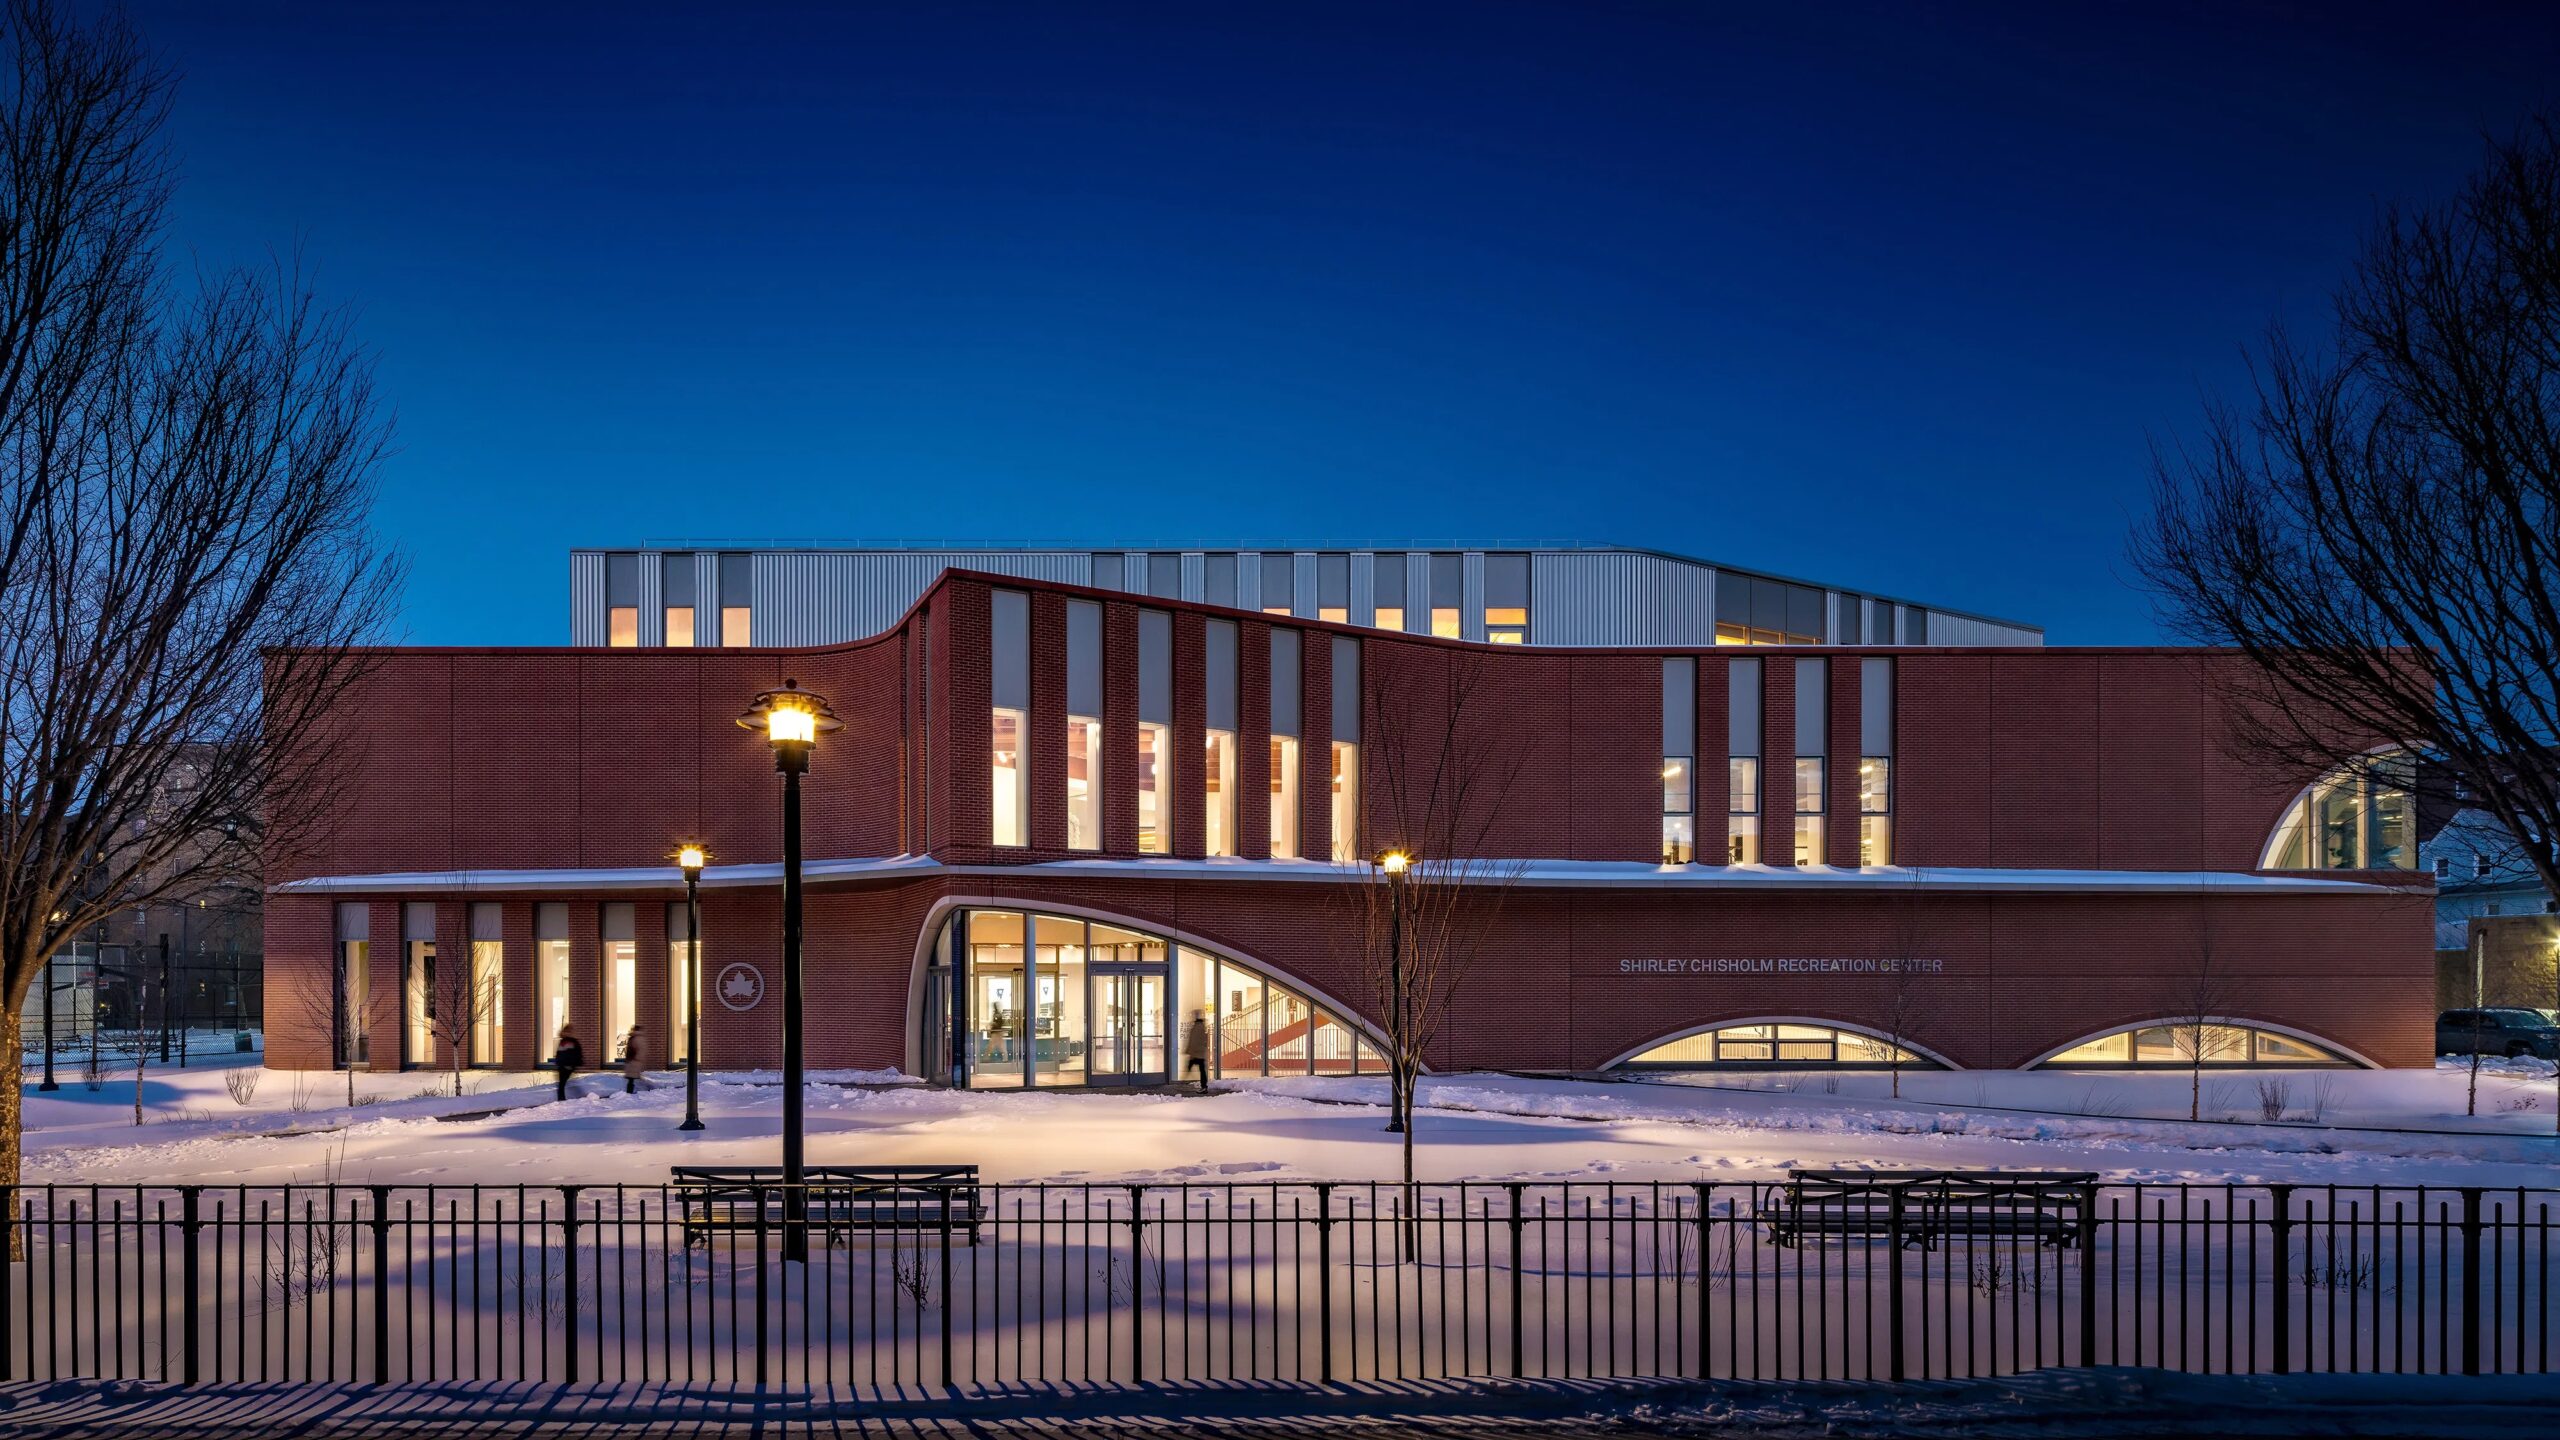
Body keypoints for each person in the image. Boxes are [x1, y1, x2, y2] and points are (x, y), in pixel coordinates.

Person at [552, 1023, 584, 1101]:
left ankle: (563, 1099)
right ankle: (563, 1099)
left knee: (562, 1084)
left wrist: (570, 1064)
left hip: (567, 1066)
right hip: (563, 1065)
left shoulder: (571, 1042)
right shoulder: (564, 1041)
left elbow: (575, 1054)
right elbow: (560, 1053)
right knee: (562, 1084)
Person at [1182, 1009, 1211, 1092]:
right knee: (1198, 1069)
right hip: (1197, 1053)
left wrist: (1189, 1050)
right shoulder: (1199, 1026)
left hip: (1197, 1053)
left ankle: (1203, 1087)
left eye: (1194, 1015)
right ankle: (1202, 1086)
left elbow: (1194, 1041)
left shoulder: (1198, 1026)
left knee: (1198, 1069)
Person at [620, 1023, 646, 1094]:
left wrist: (636, 1059)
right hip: (633, 1061)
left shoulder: (636, 1038)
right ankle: (630, 1093)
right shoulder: (635, 1037)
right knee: (631, 1078)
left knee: (631, 1078)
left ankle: (630, 1093)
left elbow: (641, 1050)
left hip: (633, 1061)